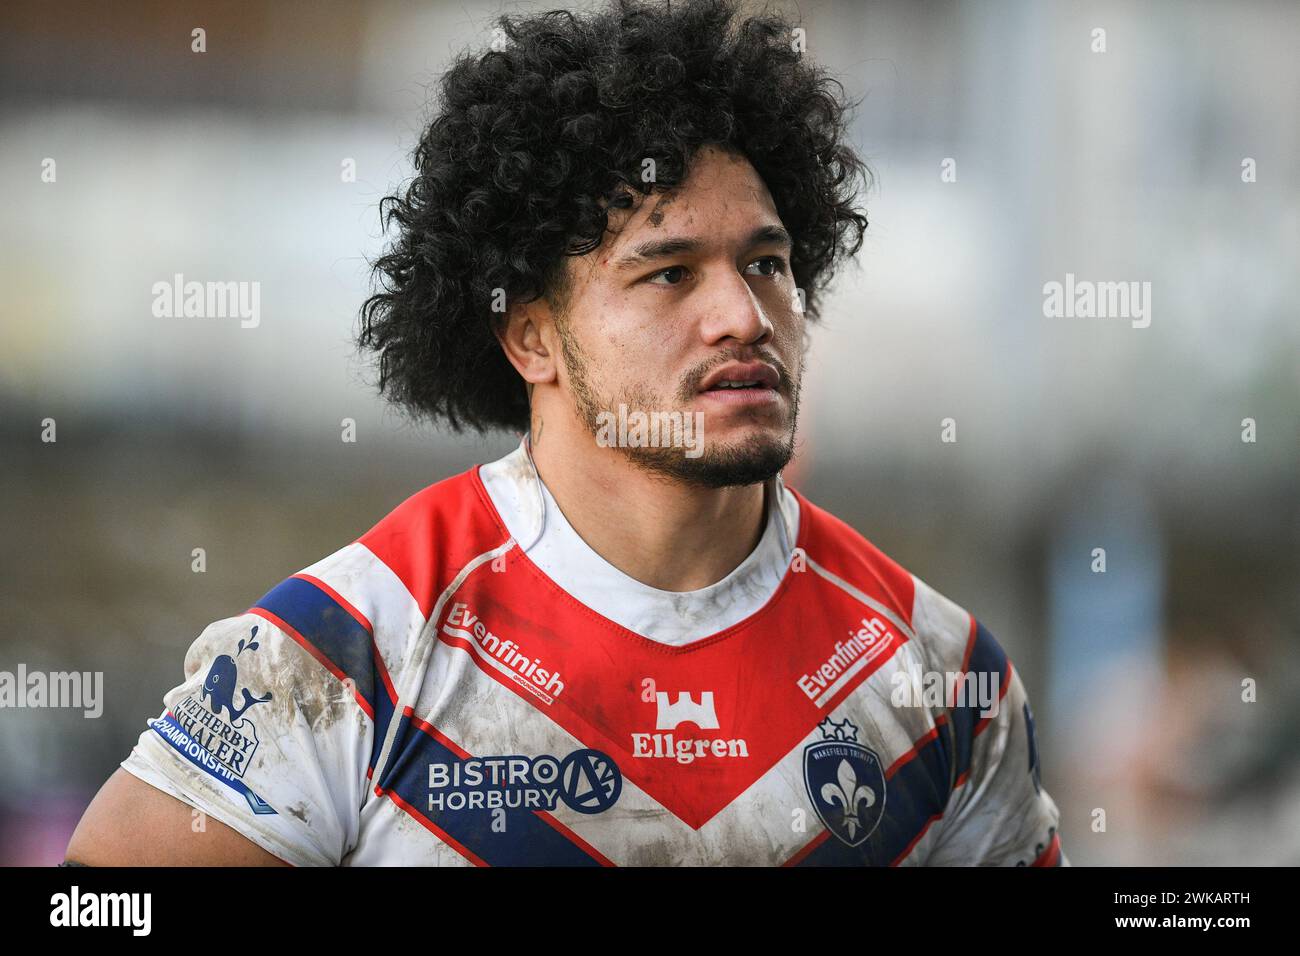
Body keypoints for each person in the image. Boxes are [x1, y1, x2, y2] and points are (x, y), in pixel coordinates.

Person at [65, 0, 1066, 866]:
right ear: (531, 335)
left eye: (765, 262)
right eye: (668, 271)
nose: (743, 316)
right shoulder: (348, 648)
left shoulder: (940, 675)